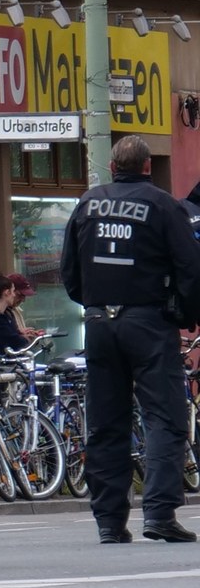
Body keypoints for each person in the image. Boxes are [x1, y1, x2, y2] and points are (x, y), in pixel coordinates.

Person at [60, 134, 200, 542]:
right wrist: (186, 316)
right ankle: (158, 514)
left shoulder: (88, 204)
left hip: (100, 323)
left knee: (105, 423)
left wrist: (93, 305)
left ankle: (109, 522)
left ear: (111, 167)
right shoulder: (163, 205)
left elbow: (69, 269)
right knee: (165, 418)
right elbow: (189, 267)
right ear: (146, 167)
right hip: (149, 323)